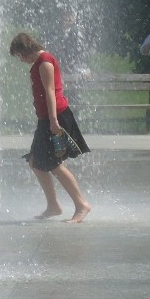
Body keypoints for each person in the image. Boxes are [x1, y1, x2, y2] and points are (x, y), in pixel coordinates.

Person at [9, 32, 92, 223]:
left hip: (55, 118)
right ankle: (53, 205)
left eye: (20, 55)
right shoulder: (38, 63)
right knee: (35, 162)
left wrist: (54, 122)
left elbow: (50, 93)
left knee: (54, 165)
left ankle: (81, 205)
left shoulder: (45, 61)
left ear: (26, 49)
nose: (21, 60)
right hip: (46, 119)